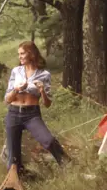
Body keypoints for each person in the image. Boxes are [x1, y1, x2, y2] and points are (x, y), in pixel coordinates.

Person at [4, 41, 66, 172]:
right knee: (13, 159)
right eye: (18, 54)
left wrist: (42, 90)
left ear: (31, 54)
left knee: (48, 141)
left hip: (31, 115)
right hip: (13, 114)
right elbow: (7, 100)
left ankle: (69, 165)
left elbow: (47, 104)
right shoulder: (16, 71)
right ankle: (18, 180)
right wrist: (16, 89)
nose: (19, 57)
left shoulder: (44, 75)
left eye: (22, 54)